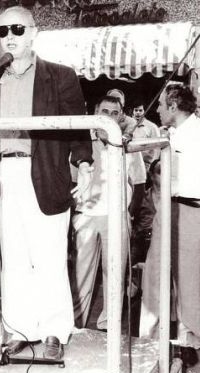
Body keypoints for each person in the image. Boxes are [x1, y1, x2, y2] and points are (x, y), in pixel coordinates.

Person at [0, 6, 92, 360]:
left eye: (17, 29)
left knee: (49, 255)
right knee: (15, 257)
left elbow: (77, 125)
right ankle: (21, 329)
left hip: (43, 173)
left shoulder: (59, 75)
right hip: (2, 174)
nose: (9, 36)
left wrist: (83, 162)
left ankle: (53, 330)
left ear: (34, 32)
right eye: (2, 31)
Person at [140, 84, 200, 367]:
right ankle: (151, 338)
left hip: (195, 208)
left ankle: (188, 341)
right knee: (154, 273)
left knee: (188, 279)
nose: (156, 109)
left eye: (161, 105)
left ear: (175, 105)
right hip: (167, 208)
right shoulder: (167, 134)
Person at [72, 95, 146, 331]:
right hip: (86, 215)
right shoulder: (81, 144)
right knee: (80, 274)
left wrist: (128, 216)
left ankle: (108, 325)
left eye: (115, 113)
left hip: (117, 216)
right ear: (96, 114)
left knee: (114, 273)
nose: (109, 117)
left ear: (121, 116)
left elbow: (140, 183)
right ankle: (77, 324)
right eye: (104, 111)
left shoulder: (128, 146)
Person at [131, 98, 161, 172]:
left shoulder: (152, 127)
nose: (138, 113)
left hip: (146, 166)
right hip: (130, 164)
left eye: (140, 110)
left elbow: (157, 148)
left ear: (144, 111)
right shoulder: (127, 125)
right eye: (136, 110)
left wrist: (151, 167)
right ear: (132, 111)